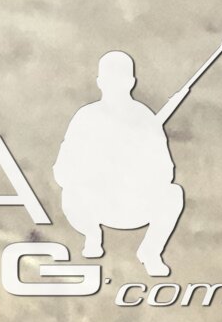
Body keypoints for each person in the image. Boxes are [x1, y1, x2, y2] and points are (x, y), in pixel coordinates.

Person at [53, 51, 188, 277]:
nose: (115, 86)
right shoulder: (86, 117)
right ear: (99, 82)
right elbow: (62, 168)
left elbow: (166, 172)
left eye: (121, 80)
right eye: (109, 80)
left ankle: (151, 252)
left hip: (134, 203)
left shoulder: (146, 119)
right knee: (70, 193)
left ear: (132, 83)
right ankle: (92, 236)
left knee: (174, 194)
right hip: (95, 204)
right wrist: (93, 172)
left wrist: (137, 168)